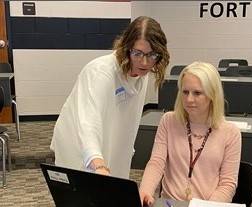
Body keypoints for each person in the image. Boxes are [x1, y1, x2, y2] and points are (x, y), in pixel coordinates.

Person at [50, 16, 170, 179]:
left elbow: (130, 121)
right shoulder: (101, 72)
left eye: (151, 55)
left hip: (109, 141)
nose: (144, 62)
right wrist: (96, 162)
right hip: (78, 146)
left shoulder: (142, 74)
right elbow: (88, 124)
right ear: (127, 48)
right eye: (137, 53)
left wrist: (126, 151)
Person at [139, 62, 241, 205]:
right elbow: (156, 163)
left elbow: (227, 184)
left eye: (197, 93)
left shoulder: (231, 132)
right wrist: (145, 191)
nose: (189, 99)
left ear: (212, 94)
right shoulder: (168, 121)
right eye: (185, 92)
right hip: (170, 203)